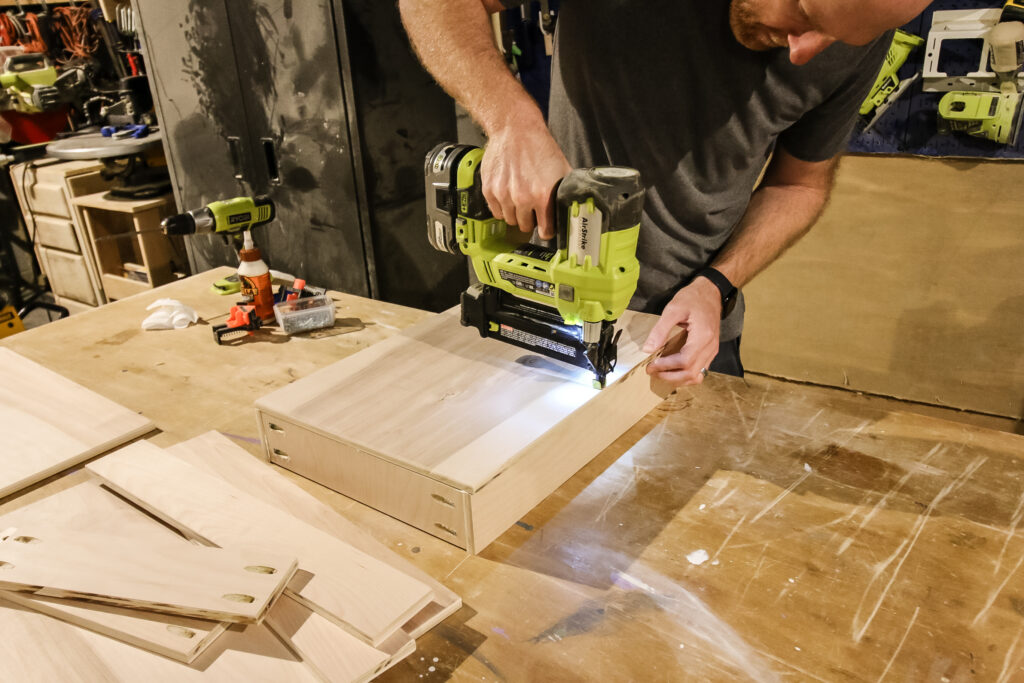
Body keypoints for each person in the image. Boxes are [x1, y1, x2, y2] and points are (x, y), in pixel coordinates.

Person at [399, 0, 931, 386]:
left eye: (841, 37)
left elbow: (799, 184)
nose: (805, 50)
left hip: (685, 334)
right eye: (805, 12)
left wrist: (715, 286)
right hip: (526, 310)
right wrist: (511, 122)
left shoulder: (856, 37)